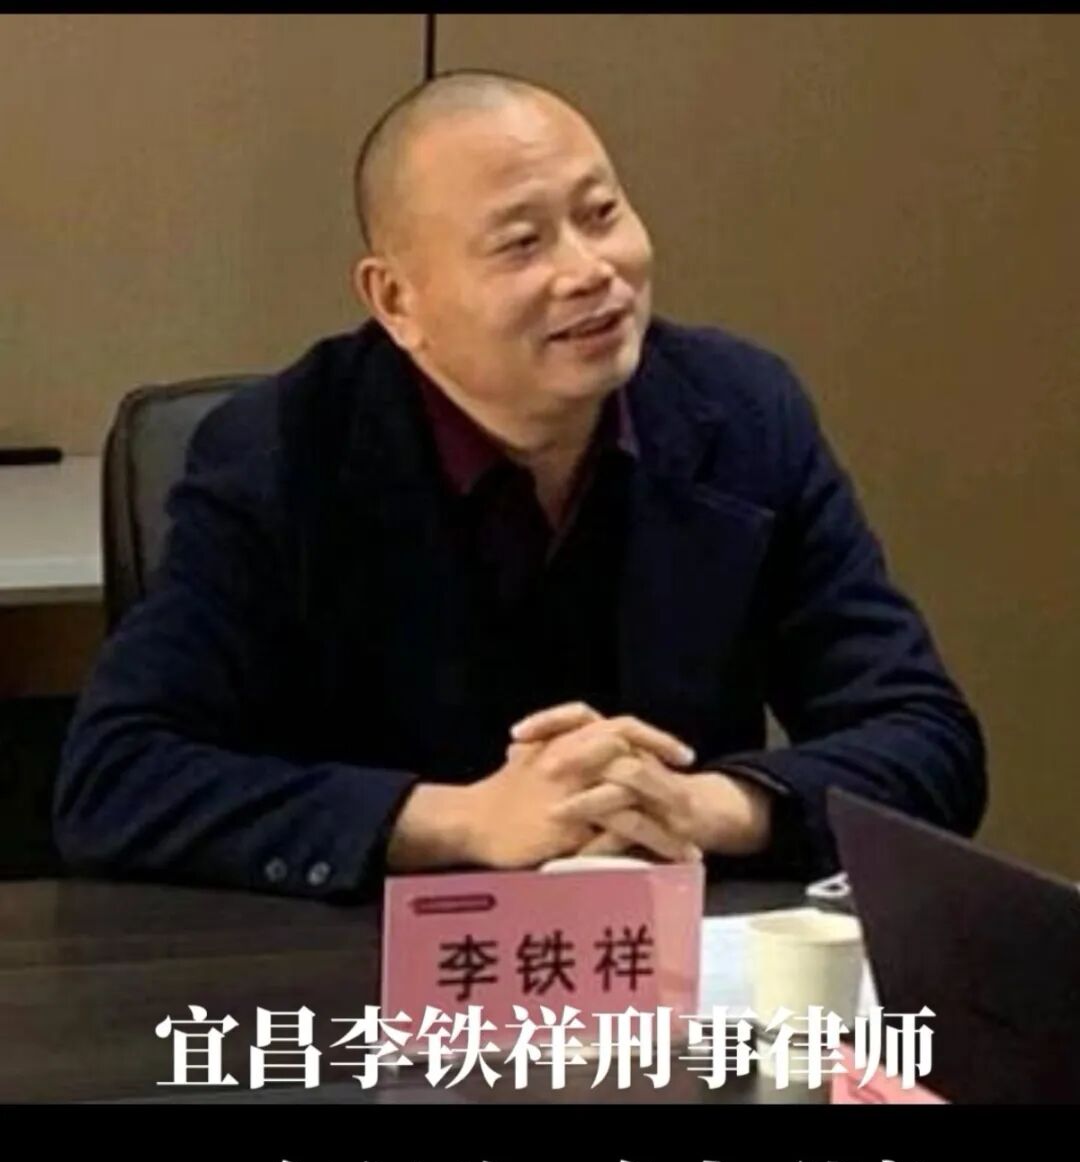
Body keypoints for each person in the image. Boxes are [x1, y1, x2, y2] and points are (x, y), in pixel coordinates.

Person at [53, 70, 987, 900]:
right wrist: (461, 821)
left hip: (668, 975)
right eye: (521, 244)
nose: (590, 271)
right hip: (370, 985)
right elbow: (117, 779)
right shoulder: (279, 453)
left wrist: (706, 806)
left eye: (601, 214)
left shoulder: (741, 414)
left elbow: (926, 737)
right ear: (396, 300)